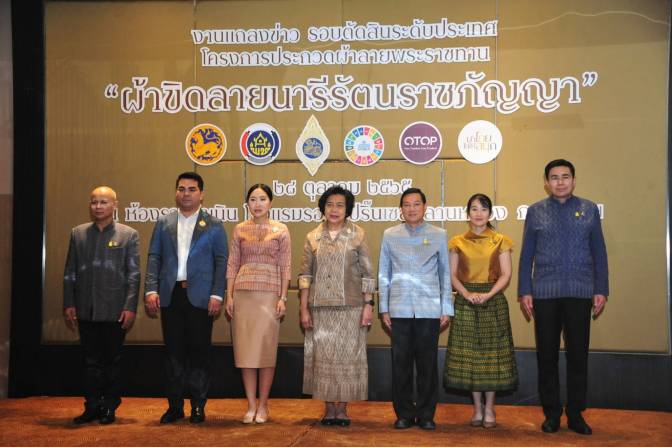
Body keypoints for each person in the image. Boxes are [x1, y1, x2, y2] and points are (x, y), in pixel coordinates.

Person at [518, 159, 608, 435]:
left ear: (574, 180)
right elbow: (526, 255)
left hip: (580, 293)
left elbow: (599, 252)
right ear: (546, 182)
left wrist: (601, 289)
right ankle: (552, 414)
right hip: (544, 294)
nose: (560, 182)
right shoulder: (535, 211)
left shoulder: (589, 209)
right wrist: (525, 290)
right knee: (547, 356)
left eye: (565, 176)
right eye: (554, 177)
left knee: (578, 356)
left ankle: (576, 414)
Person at [144, 171, 228, 424]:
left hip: (201, 297)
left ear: (201, 194)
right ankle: (175, 406)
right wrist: (151, 290)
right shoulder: (164, 222)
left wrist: (217, 294)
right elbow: (154, 257)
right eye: (181, 189)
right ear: (176, 193)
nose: (186, 194)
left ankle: (198, 406)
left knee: (199, 353)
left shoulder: (214, 224)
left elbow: (221, 261)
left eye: (192, 189)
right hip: (171, 296)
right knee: (173, 354)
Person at [298, 185, 376, 426]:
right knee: (324, 360)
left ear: (347, 209)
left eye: (340, 205)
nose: (334, 209)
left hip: (351, 308)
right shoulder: (312, 237)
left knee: (346, 360)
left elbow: (368, 274)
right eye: (330, 204)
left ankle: (342, 409)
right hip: (319, 309)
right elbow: (305, 276)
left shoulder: (358, 235)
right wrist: (303, 308)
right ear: (323, 208)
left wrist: (368, 305)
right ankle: (329, 408)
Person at [63, 186, 140, 425]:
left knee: (112, 362)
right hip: (85, 308)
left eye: (104, 202)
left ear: (115, 205)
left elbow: (134, 275)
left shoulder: (128, 235)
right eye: (94, 202)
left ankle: (109, 406)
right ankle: (92, 405)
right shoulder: (78, 234)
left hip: (115, 310)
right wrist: (69, 303)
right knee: (90, 362)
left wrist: (130, 307)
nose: (98, 206)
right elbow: (70, 272)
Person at [378, 187, 453, 430]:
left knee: (427, 365)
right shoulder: (390, 235)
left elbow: (445, 273)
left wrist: (446, 308)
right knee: (400, 365)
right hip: (398, 309)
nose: (411, 209)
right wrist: (384, 308)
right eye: (407, 204)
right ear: (401, 209)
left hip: (429, 310)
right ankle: (404, 414)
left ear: (425, 207)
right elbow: (384, 273)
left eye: (416, 204)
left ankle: (426, 414)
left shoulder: (439, 234)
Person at [443, 193, 518, 428]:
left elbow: (506, 274)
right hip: (465, 301)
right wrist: (466, 294)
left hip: (493, 301)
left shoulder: (500, 240)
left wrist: (488, 294)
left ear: (490, 213)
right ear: (467, 214)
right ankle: (477, 409)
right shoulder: (456, 242)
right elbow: (451, 275)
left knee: (491, 357)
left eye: (483, 209)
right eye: (474, 209)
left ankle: (490, 409)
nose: (479, 213)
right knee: (471, 357)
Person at [225, 184, 291, 424]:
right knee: (246, 352)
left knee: (265, 351)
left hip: (270, 295)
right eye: (253, 199)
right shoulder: (239, 229)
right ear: (247, 204)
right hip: (243, 294)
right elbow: (233, 263)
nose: (257, 204)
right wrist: (229, 295)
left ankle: (263, 404)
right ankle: (251, 404)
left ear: (270, 203)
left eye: (262, 199)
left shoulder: (281, 229)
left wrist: (283, 297)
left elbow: (286, 265)